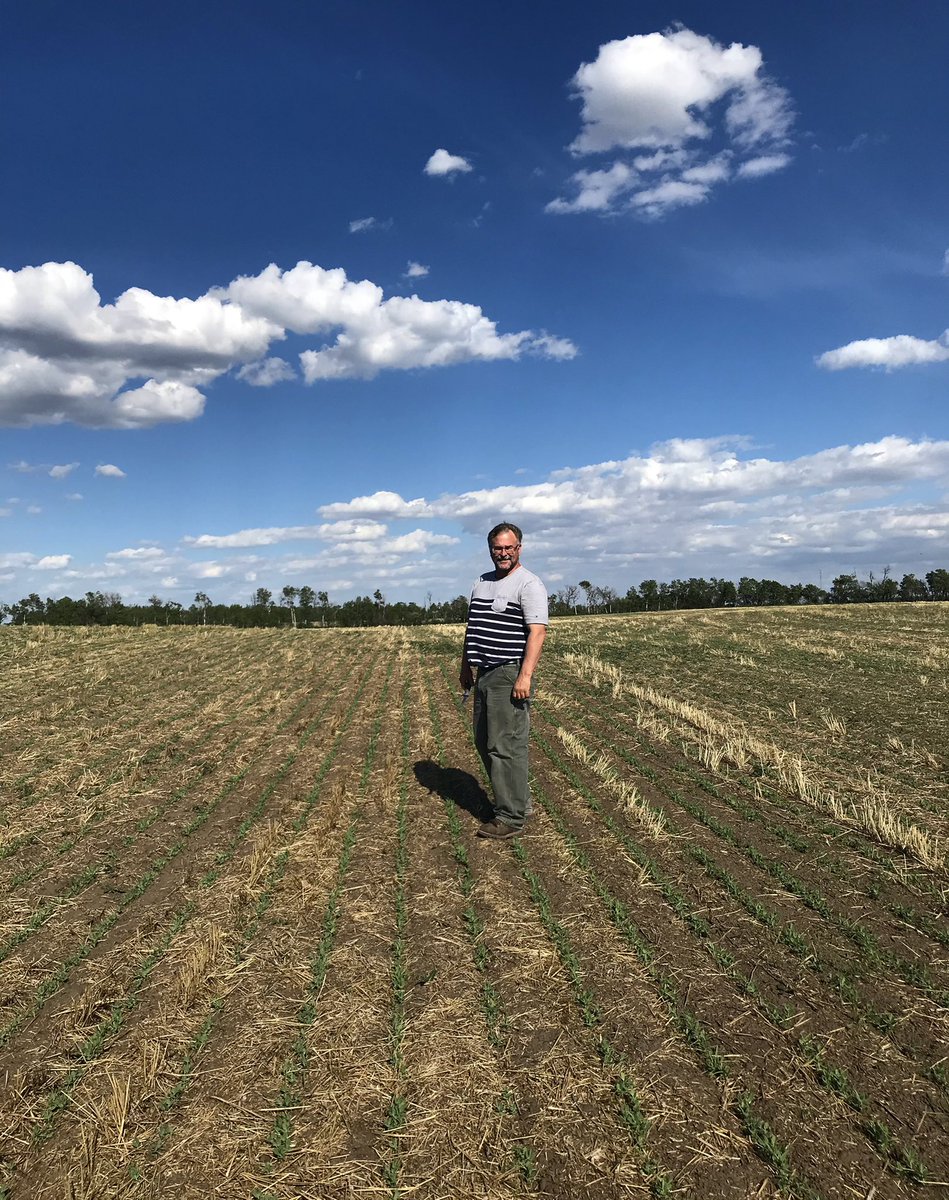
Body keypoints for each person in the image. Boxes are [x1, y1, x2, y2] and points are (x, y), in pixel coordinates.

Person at [459, 522, 548, 839]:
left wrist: (525, 676)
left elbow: (537, 632)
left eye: (509, 547)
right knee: (484, 742)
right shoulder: (482, 583)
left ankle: (510, 817)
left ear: (519, 548)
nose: (504, 553)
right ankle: (517, 803)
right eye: (498, 547)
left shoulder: (529, 584)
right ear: (490, 549)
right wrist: (465, 664)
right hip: (483, 673)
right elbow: (474, 627)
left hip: (509, 672)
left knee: (505, 745)